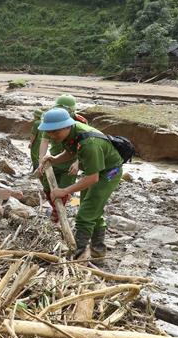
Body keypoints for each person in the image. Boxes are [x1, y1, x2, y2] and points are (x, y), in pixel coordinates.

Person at [38, 108, 124, 259]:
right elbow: (71, 153)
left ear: (67, 126)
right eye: (49, 132)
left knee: (85, 215)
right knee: (91, 209)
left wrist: (64, 191)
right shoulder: (71, 134)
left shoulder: (89, 143)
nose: (52, 136)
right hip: (95, 169)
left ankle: (76, 255)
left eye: (55, 132)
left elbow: (93, 178)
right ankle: (98, 251)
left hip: (110, 172)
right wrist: (54, 159)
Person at [37, 94, 87, 222]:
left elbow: (86, 145)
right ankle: (55, 207)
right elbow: (44, 142)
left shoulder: (80, 122)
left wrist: (77, 163)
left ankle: (57, 214)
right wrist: (41, 161)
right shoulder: (51, 120)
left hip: (70, 163)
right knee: (47, 187)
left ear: (72, 111)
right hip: (54, 159)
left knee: (64, 189)